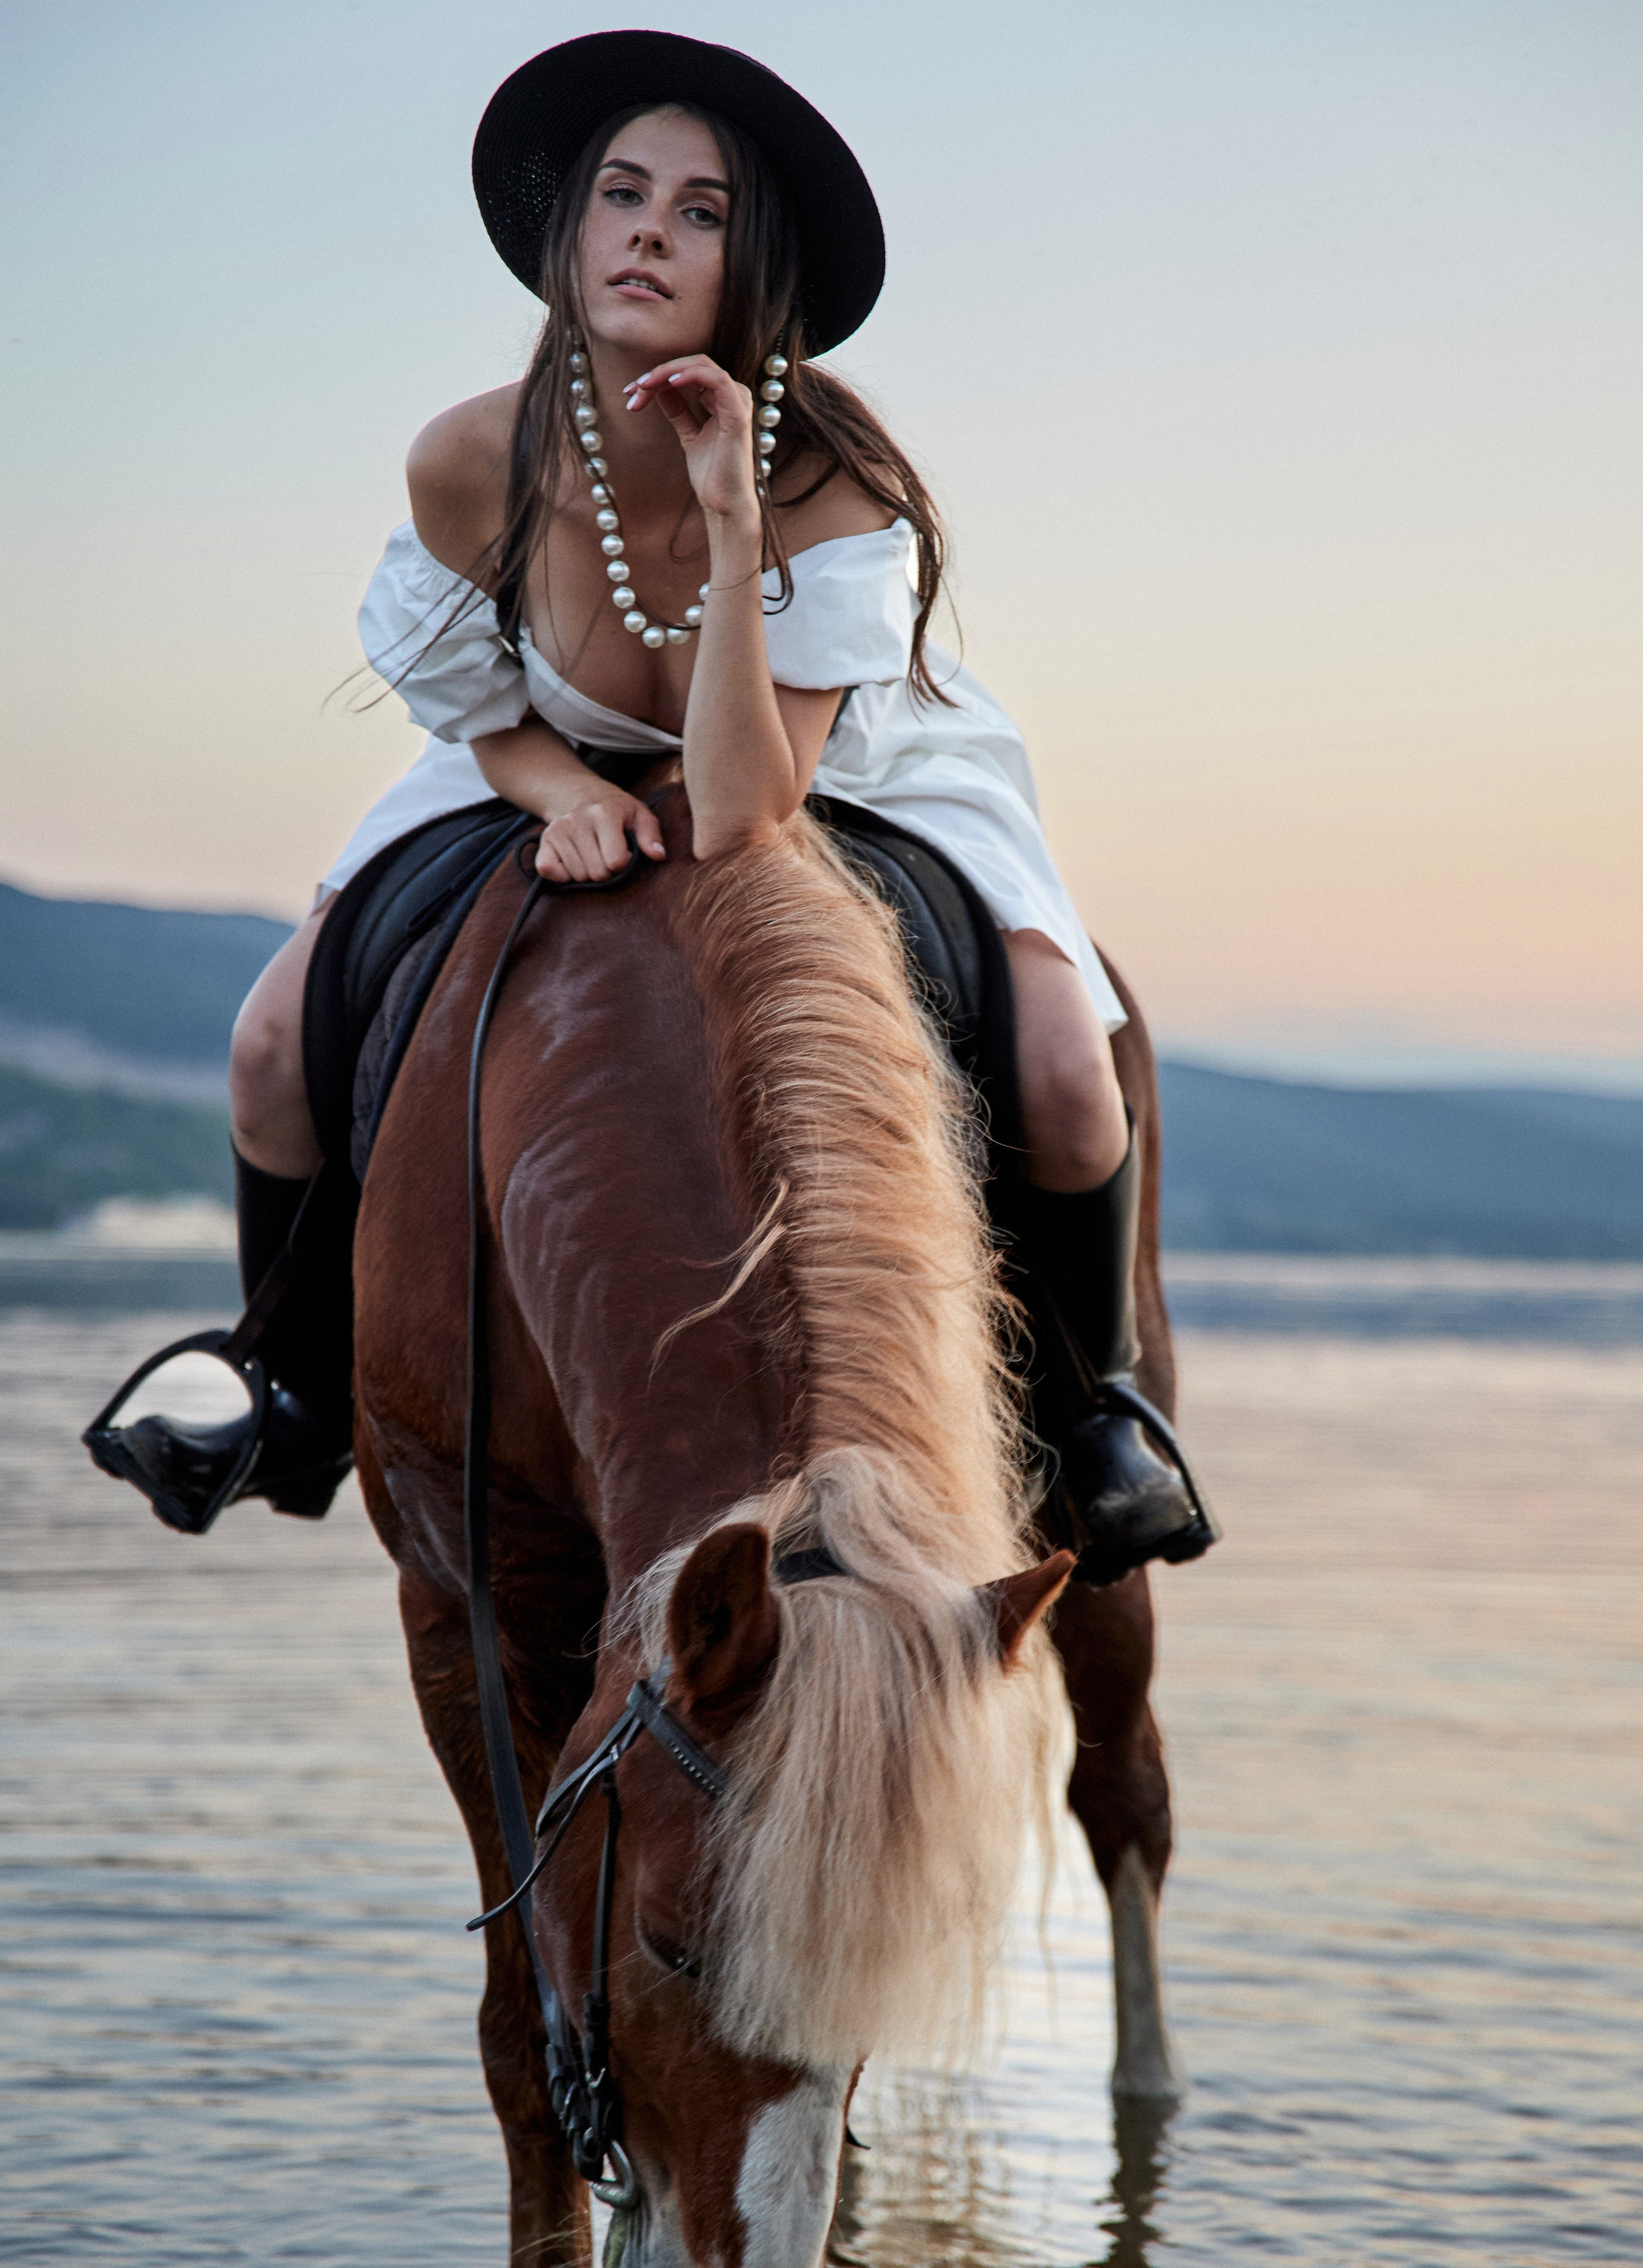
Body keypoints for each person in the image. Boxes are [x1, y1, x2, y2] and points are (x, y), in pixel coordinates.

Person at [91, 30, 1216, 1585]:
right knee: (271, 1036)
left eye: (699, 213)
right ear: (568, 234)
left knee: (1064, 1067)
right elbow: (477, 706)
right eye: (621, 195)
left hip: (832, 755)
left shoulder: (833, 481)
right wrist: (553, 789)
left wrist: (731, 504)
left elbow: (753, 808)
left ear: (748, 268)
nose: (645, 232)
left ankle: (1090, 1416)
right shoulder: (468, 456)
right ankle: (284, 1382)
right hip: (546, 738)